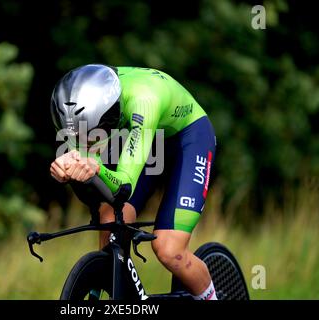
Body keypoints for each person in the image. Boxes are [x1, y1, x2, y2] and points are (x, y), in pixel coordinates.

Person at [49, 64, 217, 300]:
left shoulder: (143, 99)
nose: (82, 140)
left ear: (109, 114)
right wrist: (68, 171)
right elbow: (93, 191)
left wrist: (95, 168)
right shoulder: (87, 103)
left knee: (169, 250)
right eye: (76, 135)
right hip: (144, 137)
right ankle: (126, 297)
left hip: (187, 137)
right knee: (110, 221)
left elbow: (123, 187)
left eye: (89, 133)